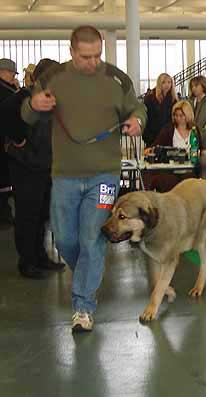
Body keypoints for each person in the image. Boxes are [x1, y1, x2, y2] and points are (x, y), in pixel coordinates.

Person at [21, 26, 147, 332]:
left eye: (97, 56)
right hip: (64, 175)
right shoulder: (53, 77)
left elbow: (138, 108)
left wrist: (137, 121)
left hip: (104, 175)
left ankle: (83, 307)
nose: (92, 62)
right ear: (71, 51)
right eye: (85, 56)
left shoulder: (117, 79)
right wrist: (33, 105)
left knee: (92, 238)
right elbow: (28, 115)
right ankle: (87, 276)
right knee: (65, 239)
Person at [2, 58, 63, 280]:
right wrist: (18, 141)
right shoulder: (23, 97)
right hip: (26, 166)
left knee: (43, 215)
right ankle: (27, 261)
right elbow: (6, 118)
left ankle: (40, 256)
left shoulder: (54, 101)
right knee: (28, 216)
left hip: (47, 166)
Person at [145, 101, 196, 192]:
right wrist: (150, 150)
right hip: (171, 170)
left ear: (188, 116)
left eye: (181, 115)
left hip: (189, 170)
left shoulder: (195, 131)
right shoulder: (168, 130)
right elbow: (156, 146)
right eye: (176, 115)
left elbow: (201, 149)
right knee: (167, 181)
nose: (178, 118)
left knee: (191, 181)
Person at [0, 58, 18, 225]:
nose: (13, 76)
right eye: (11, 73)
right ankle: (4, 216)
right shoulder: (6, 92)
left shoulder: (9, 89)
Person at [143, 73, 177, 147]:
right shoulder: (149, 98)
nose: (167, 85)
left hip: (167, 136)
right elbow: (146, 117)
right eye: (164, 82)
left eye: (169, 82)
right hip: (152, 136)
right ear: (159, 84)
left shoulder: (173, 100)